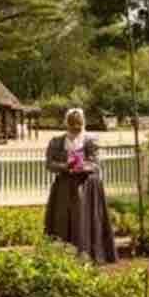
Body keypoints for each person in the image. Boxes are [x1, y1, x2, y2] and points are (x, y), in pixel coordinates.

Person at [45, 108, 116, 263]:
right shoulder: (56, 142)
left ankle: (87, 254)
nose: (76, 128)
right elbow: (49, 164)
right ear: (67, 124)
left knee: (83, 219)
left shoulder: (90, 140)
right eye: (72, 125)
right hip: (64, 185)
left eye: (79, 125)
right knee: (63, 219)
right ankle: (62, 255)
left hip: (86, 185)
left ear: (83, 123)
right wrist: (65, 166)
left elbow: (96, 163)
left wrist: (82, 166)